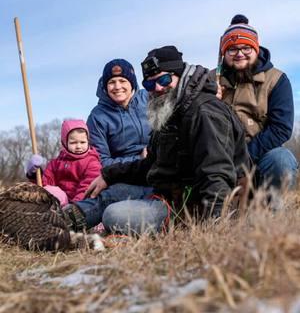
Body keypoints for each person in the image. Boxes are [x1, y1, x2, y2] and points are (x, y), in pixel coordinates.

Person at [64, 45, 250, 235]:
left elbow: (217, 173)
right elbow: (152, 165)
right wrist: (109, 175)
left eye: (164, 79)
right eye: (150, 85)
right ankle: (60, 221)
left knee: (114, 215)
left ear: (180, 75)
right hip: (171, 193)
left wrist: (217, 225)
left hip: (194, 206)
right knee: (114, 192)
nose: (158, 88)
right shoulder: (170, 108)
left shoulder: (204, 112)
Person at [210, 14, 298, 191]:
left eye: (246, 48)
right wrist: (210, 100)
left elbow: (281, 129)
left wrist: (245, 156)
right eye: (232, 49)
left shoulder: (277, 80)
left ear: (256, 50)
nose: (239, 53)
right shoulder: (211, 79)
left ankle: (269, 214)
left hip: (260, 156)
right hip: (218, 158)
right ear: (224, 53)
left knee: (281, 160)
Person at [87, 58, 151, 167]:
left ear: (132, 83)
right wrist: (139, 159)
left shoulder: (148, 97)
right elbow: (101, 161)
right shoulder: (97, 117)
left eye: (122, 81)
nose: (117, 87)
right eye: (112, 82)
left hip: (160, 162)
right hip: (123, 173)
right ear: (105, 86)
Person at [26, 119, 102, 207]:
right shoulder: (56, 163)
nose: (78, 146)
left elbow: (86, 188)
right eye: (73, 143)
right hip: (58, 203)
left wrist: (75, 207)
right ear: (65, 143)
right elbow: (45, 184)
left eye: (83, 142)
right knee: (49, 193)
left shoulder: (92, 163)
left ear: (88, 141)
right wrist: (34, 174)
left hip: (79, 206)